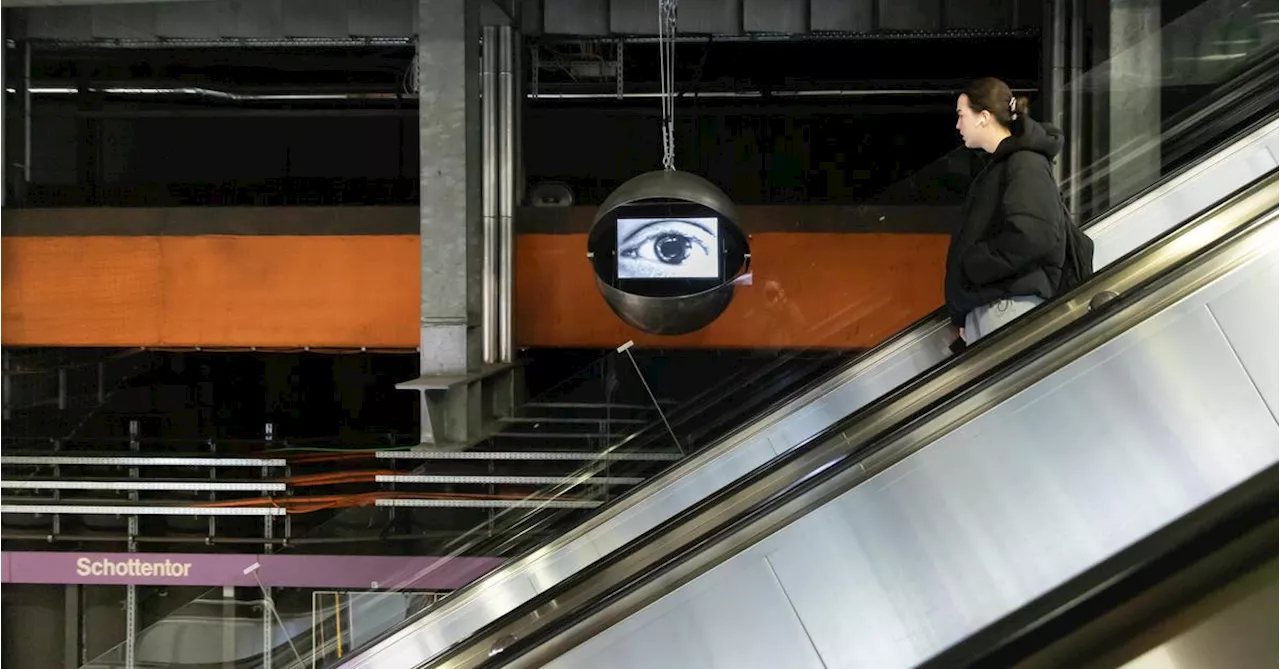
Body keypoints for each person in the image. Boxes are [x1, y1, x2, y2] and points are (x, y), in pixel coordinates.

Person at [945, 77, 1068, 348]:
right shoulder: (1006, 165)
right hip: (999, 306)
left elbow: (1034, 234)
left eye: (961, 115)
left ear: (983, 117)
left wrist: (975, 265)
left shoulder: (1024, 163)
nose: (957, 125)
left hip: (1008, 309)